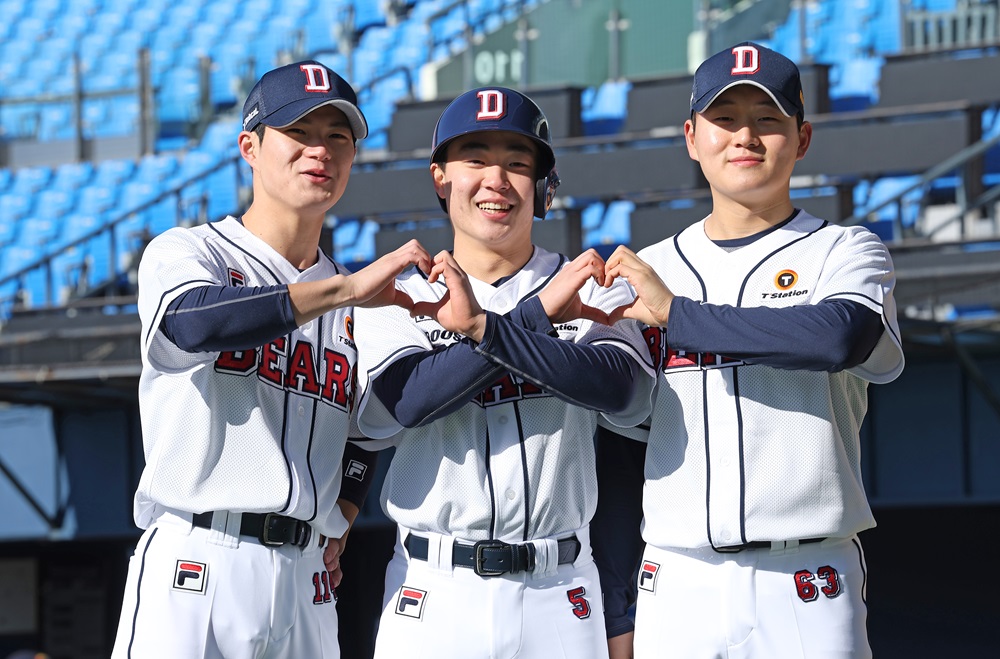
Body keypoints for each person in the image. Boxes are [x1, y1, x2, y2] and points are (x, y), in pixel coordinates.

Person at [111, 60, 432, 659]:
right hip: (199, 556)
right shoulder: (189, 250)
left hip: (305, 572)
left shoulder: (356, 291)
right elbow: (191, 324)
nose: (321, 151)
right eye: (299, 132)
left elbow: (372, 427)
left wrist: (345, 507)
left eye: (338, 136)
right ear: (250, 147)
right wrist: (343, 293)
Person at [595, 41, 906, 658]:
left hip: (807, 575)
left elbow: (839, 336)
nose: (746, 137)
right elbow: (618, 446)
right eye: (725, 119)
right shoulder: (648, 269)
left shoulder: (846, 250)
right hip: (677, 575)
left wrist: (676, 315)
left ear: (803, 137)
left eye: (768, 119)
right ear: (691, 137)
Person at [351, 87, 656, 658]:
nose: (497, 179)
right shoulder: (399, 294)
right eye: (476, 160)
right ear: (441, 177)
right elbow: (411, 400)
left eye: (518, 164)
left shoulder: (588, 285)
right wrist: (536, 318)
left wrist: (494, 330)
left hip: (560, 589)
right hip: (433, 587)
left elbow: (619, 389)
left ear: (542, 186)